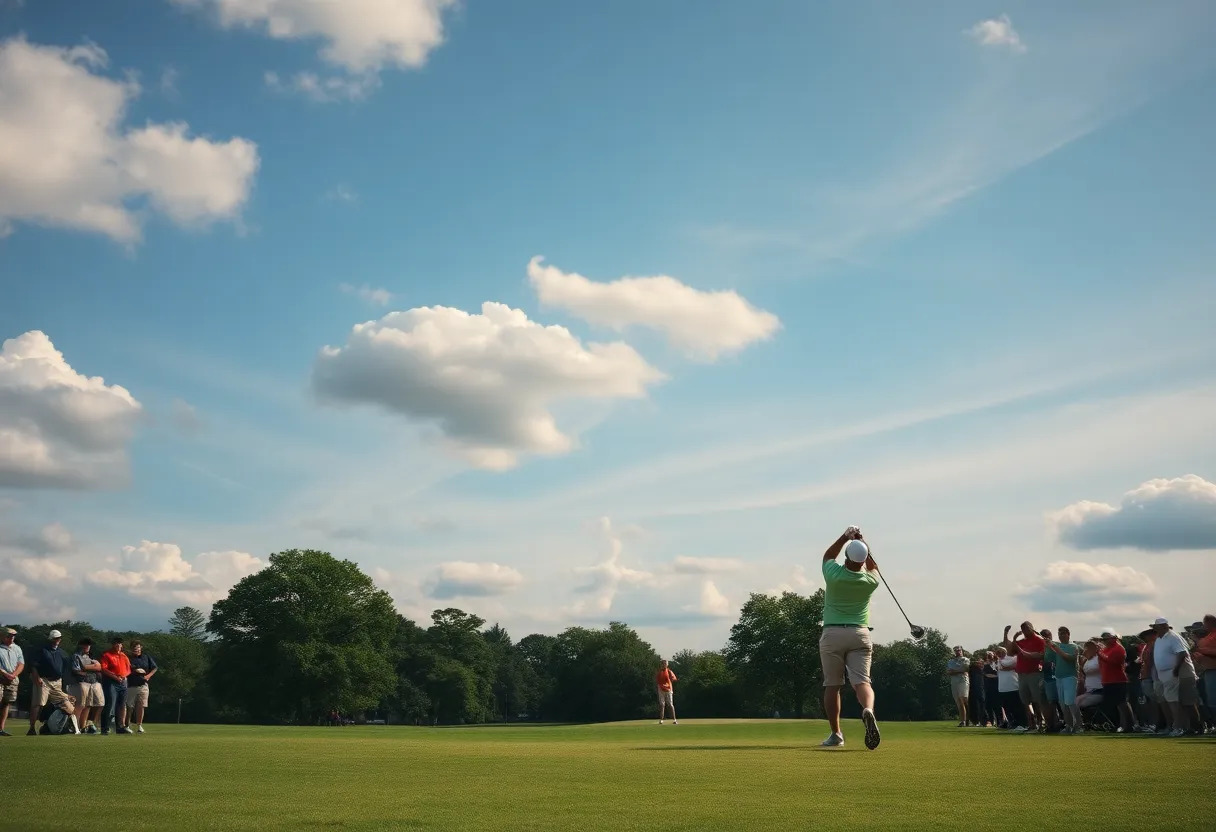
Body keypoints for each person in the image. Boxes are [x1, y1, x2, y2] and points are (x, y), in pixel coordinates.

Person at [819, 526, 881, 749]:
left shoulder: (834, 575)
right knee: (862, 681)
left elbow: (828, 555)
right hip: (860, 634)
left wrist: (846, 537)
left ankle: (836, 734)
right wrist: (863, 542)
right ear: (863, 561)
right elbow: (874, 566)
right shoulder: (870, 581)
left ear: (846, 558)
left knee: (833, 685)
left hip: (833, 634)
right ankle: (868, 710)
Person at [1152, 618, 1197, 737]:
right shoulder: (1159, 639)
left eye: (1161, 626)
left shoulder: (1172, 637)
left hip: (1177, 673)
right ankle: (1178, 727)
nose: (1156, 629)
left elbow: (1182, 653)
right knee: (1171, 701)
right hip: (1165, 674)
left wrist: (1175, 670)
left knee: (1180, 702)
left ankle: (1182, 727)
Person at [28, 629, 75, 736]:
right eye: (54, 638)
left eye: (58, 638)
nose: (56, 640)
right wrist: (37, 677)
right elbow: (34, 665)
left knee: (68, 706)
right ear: (50, 639)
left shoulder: (62, 653)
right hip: (44, 680)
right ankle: (31, 728)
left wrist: (64, 682)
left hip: (57, 682)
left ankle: (50, 726)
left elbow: (65, 669)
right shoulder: (42, 650)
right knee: (38, 704)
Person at [1004, 622, 1045, 732]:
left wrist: (1015, 641)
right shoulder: (1022, 641)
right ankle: (1031, 724)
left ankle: (1041, 723)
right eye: (1023, 629)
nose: (1025, 631)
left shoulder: (1039, 640)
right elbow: (1009, 651)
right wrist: (1008, 635)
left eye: (1027, 628)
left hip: (1034, 673)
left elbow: (1040, 655)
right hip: (1022, 674)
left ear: (1032, 628)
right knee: (1025, 700)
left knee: (1037, 700)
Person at [1098, 631, 1137, 733]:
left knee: (1122, 703)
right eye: (1103, 640)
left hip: (1118, 679)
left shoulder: (1118, 649)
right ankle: (1122, 725)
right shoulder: (1106, 649)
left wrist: (1100, 654)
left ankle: (1130, 725)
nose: (1104, 641)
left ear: (1113, 639)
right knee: (1118, 704)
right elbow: (1102, 664)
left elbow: (1114, 661)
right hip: (1108, 680)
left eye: (1106, 639)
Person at [1044, 626, 1080, 734]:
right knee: (1063, 704)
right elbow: (1048, 658)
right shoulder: (1057, 646)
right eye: (1059, 634)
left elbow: (1068, 658)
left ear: (1068, 634)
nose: (1061, 636)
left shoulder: (1073, 646)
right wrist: (1048, 647)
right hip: (1059, 677)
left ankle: (1078, 725)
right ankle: (1069, 726)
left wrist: (1056, 648)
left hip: (1070, 677)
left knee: (1070, 702)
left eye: (1063, 633)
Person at [70, 638, 105, 734]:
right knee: (81, 705)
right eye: (85, 645)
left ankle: (87, 725)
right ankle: (76, 727)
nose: (87, 647)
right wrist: (91, 669)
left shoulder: (91, 657)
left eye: (88, 645)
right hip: (82, 682)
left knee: (94, 704)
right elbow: (76, 670)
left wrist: (87, 668)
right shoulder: (76, 656)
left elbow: (99, 667)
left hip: (93, 682)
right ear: (80, 645)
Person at [98, 636, 132, 735]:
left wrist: (124, 676)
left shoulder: (124, 656)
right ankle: (105, 727)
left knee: (122, 705)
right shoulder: (107, 655)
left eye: (119, 643)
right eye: (116, 643)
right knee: (110, 704)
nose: (118, 645)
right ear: (113, 645)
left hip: (123, 682)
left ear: (122, 645)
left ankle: (120, 727)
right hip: (111, 682)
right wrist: (115, 677)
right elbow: (104, 669)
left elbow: (128, 669)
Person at [125, 640, 158, 734]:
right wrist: (135, 671)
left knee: (141, 706)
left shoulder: (146, 657)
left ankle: (139, 725)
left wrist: (148, 676)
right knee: (129, 706)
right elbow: (127, 669)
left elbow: (154, 667)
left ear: (141, 647)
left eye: (138, 647)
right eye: (134, 648)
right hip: (131, 684)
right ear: (131, 649)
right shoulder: (128, 658)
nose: (136, 649)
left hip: (143, 685)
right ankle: (127, 725)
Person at [1192, 615, 1216, 734]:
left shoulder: (1211, 637)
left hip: (1212, 670)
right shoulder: (1206, 639)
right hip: (1205, 671)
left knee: (1211, 700)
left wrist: (1203, 651)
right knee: (1208, 700)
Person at [0, 628, 24, 737]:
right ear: (3, 636)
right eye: (9, 636)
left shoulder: (17, 648)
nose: (11, 638)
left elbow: (21, 664)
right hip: (1, 678)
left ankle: (1, 729)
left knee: (6, 703)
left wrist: (13, 675)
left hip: (13, 679)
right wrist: (5, 674)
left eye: (13, 636)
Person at [1038, 628, 1060, 732]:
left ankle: (1055, 724)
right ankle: (1049, 724)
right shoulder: (1042, 648)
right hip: (1044, 677)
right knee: (1044, 702)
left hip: (1053, 677)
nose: (1044, 639)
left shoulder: (1055, 646)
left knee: (1052, 702)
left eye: (1046, 636)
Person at [1076, 640, 1103, 719]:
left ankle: (1080, 723)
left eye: (1087, 648)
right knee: (1075, 701)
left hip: (1099, 690)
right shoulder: (1087, 661)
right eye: (1085, 648)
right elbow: (1082, 671)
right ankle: (1078, 723)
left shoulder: (1099, 659)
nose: (1085, 650)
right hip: (1089, 691)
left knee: (1079, 703)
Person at [995, 646, 1020, 729]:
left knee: (1015, 706)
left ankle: (1018, 723)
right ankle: (1010, 722)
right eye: (998, 652)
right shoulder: (999, 660)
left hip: (1012, 686)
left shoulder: (1012, 658)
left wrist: (1001, 661)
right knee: (1005, 706)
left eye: (1002, 651)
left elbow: (1006, 666)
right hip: (1002, 687)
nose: (1000, 653)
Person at [946, 646, 970, 727]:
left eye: (959, 650)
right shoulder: (951, 661)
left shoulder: (965, 659)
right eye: (956, 651)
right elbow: (949, 672)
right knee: (958, 701)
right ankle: (965, 720)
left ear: (961, 650)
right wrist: (959, 670)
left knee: (962, 699)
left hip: (963, 681)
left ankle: (964, 720)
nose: (958, 652)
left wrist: (955, 671)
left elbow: (966, 669)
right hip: (954, 682)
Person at [655, 659, 678, 725]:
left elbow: (674, 678)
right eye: (662, 664)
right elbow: (657, 680)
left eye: (665, 664)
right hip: (661, 689)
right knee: (662, 705)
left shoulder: (669, 671)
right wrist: (659, 687)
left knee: (670, 704)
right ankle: (661, 720)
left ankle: (674, 719)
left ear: (667, 665)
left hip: (668, 689)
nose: (664, 665)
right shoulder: (659, 672)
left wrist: (670, 681)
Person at [982, 651, 1001, 727]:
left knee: (997, 705)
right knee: (988, 705)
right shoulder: (985, 665)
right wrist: (996, 676)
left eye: (990, 654)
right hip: (988, 687)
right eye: (988, 655)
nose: (989, 656)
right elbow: (986, 675)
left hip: (996, 686)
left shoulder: (997, 663)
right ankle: (992, 721)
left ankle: (999, 721)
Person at [967, 656, 986, 727]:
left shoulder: (983, 668)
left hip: (981, 688)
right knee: (974, 705)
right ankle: (975, 721)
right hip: (972, 688)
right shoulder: (971, 669)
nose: (977, 662)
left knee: (982, 704)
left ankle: (984, 721)